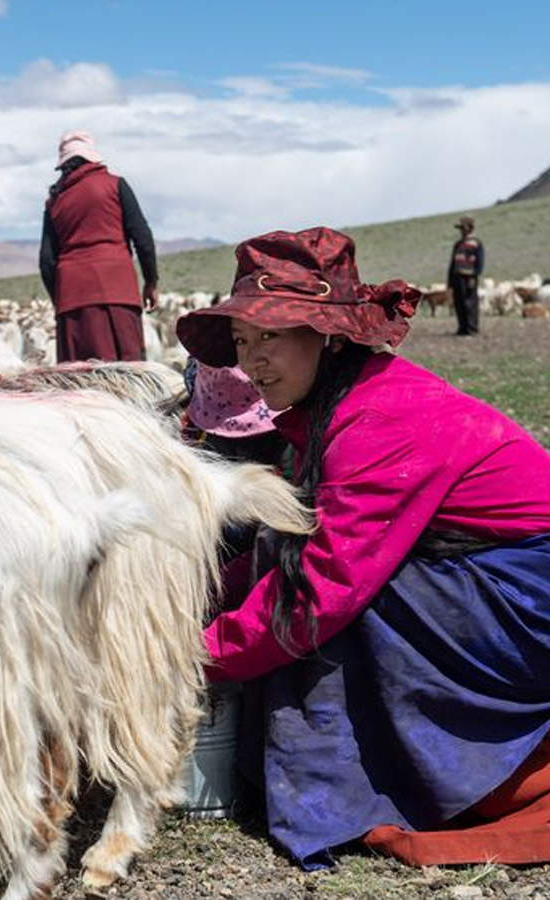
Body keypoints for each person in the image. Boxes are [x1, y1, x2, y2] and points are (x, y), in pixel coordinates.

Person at [175, 227, 550, 870]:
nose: (253, 360)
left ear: (328, 334)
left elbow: (320, 592)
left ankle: (406, 785)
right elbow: (280, 543)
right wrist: (181, 596)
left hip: (527, 602)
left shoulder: (378, 420)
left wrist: (182, 658)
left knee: (355, 595)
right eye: (242, 342)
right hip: (498, 581)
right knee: (288, 546)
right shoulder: (331, 410)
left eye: (271, 336)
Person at [39, 130, 157, 363]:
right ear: (91, 156)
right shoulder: (115, 185)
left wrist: (61, 300)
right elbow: (142, 237)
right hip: (119, 290)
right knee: (129, 372)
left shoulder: (55, 201)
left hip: (73, 299)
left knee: (79, 382)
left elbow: (47, 262)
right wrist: (151, 282)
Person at [448, 215, 484, 336]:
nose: (462, 231)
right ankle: (462, 328)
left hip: (469, 276)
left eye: (463, 228)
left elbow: (480, 261)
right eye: (461, 228)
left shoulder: (476, 243)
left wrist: (475, 275)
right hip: (457, 276)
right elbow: (453, 263)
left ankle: (472, 328)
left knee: (470, 302)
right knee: (459, 302)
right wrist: (450, 281)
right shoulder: (457, 244)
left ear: (470, 228)